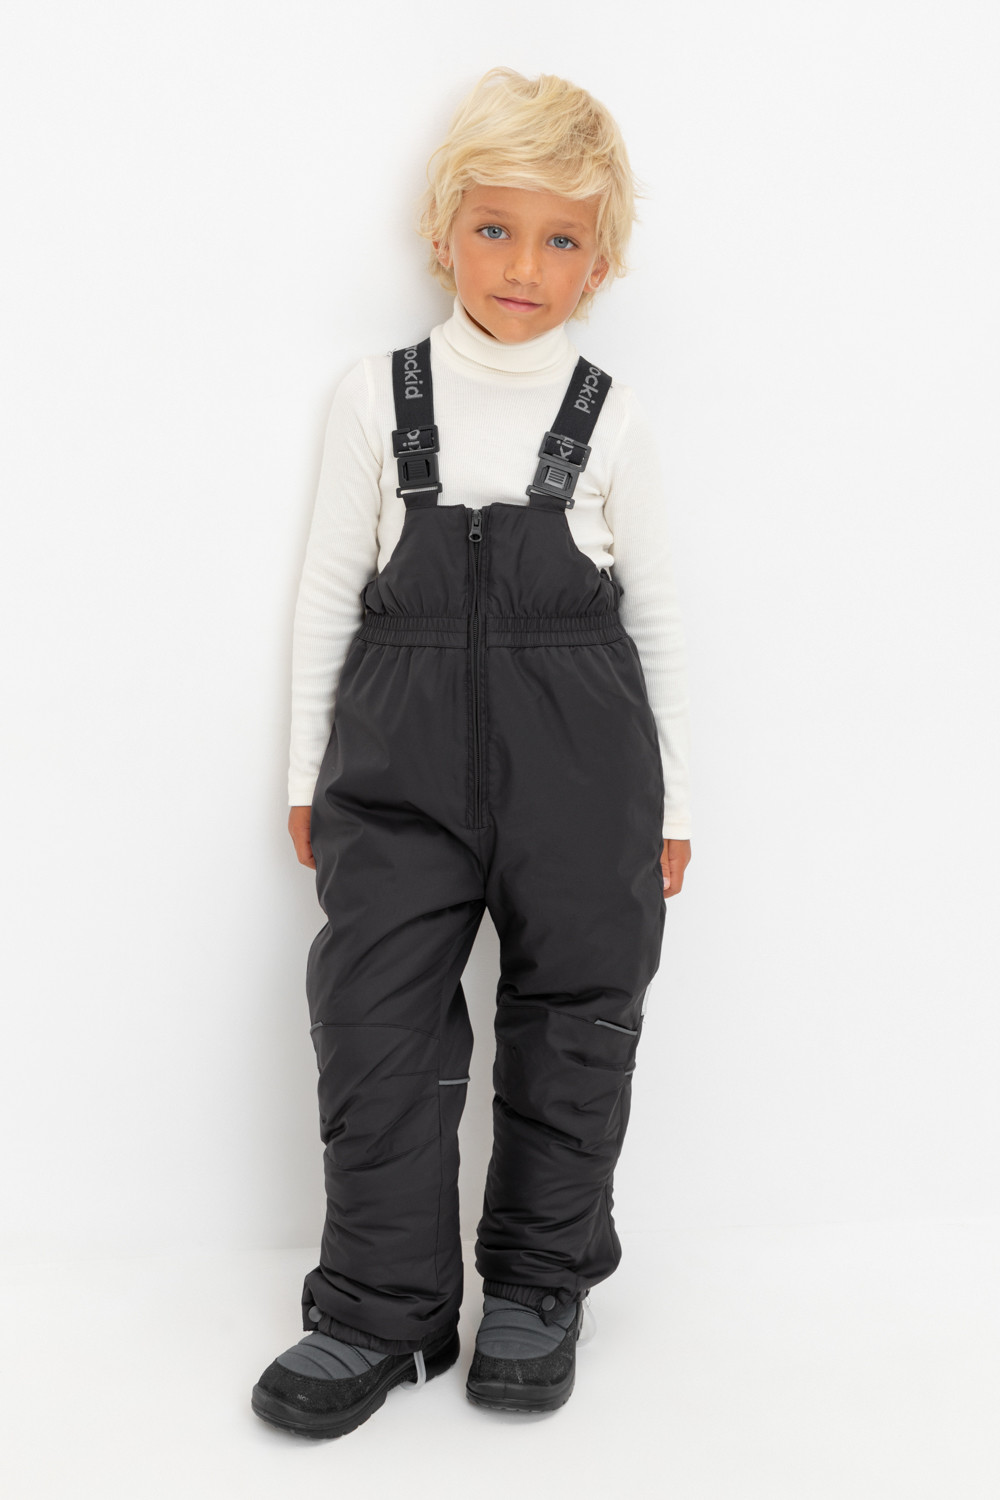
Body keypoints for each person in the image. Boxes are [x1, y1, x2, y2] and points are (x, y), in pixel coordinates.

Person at [251, 65, 693, 1439]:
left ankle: (539, 1289)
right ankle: (381, 1312)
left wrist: (676, 802)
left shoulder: (613, 416)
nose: (523, 265)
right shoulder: (377, 398)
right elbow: (329, 593)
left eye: (562, 240)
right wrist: (305, 776)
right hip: (397, 770)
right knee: (372, 1025)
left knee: (579, 1023)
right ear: (444, 231)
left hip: (587, 774)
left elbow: (662, 618)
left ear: (600, 264)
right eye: (495, 228)